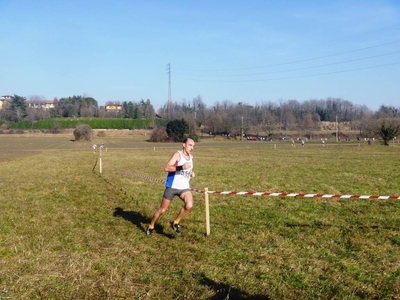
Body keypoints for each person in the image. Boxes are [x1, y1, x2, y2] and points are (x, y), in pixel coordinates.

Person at [146, 138, 196, 236]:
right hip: (172, 187)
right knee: (162, 210)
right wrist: (181, 167)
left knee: (189, 205)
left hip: (184, 188)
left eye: (193, 146)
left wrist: (191, 173)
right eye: (190, 145)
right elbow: (167, 168)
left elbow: (187, 170)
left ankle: (175, 223)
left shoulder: (191, 157)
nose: (192, 148)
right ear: (184, 144)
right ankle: (151, 225)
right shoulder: (177, 155)